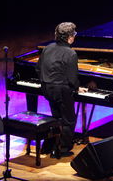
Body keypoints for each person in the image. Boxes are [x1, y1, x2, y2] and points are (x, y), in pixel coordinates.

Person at [36, 22, 87, 157]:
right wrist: (77, 88)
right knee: (69, 119)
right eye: (74, 34)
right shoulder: (71, 53)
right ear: (70, 37)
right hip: (62, 90)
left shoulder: (47, 48)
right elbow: (72, 78)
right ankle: (63, 149)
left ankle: (49, 145)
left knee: (56, 116)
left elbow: (38, 68)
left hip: (46, 88)